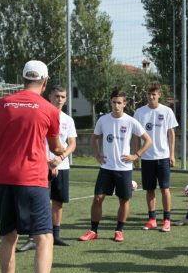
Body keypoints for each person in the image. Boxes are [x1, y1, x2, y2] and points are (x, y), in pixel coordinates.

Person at [0, 60, 64, 273]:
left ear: (22, 79)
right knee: (44, 236)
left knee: (9, 236)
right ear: (45, 83)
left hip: (4, 178)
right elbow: (55, 147)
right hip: (32, 179)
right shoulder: (48, 108)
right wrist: (60, 151)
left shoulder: (3, 104)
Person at [79, 89, 152, 242]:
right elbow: (95, 138)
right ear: (110, 102)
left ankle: (119, 230)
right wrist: (97, 154)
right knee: (98, 198)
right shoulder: (103, 120)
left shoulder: (131, 121)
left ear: (124, 104)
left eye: (119, 103)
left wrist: (135, 155)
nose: (116, 105)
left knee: (124, 200)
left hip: (124, 169)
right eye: (114, 102)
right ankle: (93, 230)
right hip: (106, 168)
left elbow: (148, 140)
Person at [17, 85, 77, 252]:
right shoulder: (40, 114)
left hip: (62, 165)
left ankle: (55, 235)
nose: (59, 99)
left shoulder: (68, 120)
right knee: (36, 202)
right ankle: (31, 238)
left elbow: (72, 144)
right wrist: (47, 161)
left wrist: (60, 158)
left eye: (63, 96)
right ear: (50, 96)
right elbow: (34, 141)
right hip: (40, 166)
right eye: (57, 95)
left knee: (58, 202)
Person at [133, 83, 178, 233]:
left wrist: (172, 154)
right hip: (146, 157)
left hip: (163, 156)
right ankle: (152, 219)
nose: (151, 97)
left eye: (154, 94)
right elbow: (136, 135)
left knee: (165, 189)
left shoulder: (167, 111)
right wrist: (136, 154)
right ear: (146, 95)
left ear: (159, 95)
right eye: (149, 94)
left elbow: (171, 134)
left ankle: (167, 220)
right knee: (149, 190)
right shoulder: (139, 112)